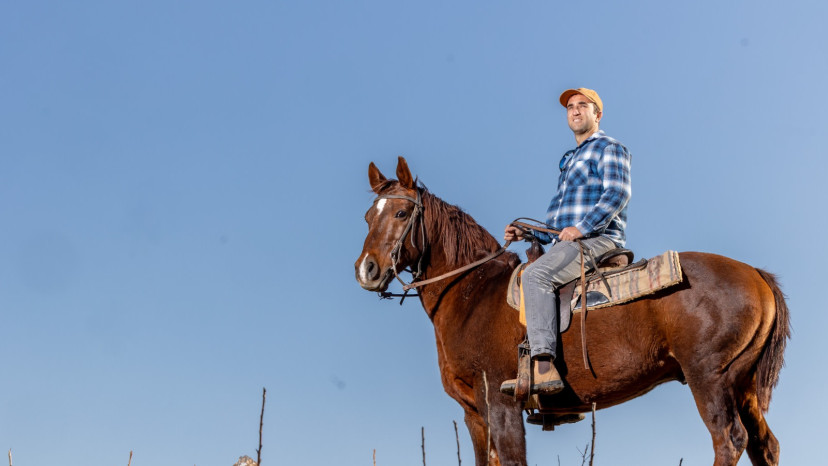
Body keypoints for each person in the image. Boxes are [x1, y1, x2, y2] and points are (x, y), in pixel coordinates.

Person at [500, 88, 631, 395]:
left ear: (597, 115)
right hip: (571, 241)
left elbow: (617, 193)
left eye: (582, 106)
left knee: (535, 275)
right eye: (570, 107)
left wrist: (582, 227)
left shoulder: (609, 147)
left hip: (599, 239)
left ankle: (543, 368)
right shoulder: (569, 161)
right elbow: (561, 226)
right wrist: (530, 233)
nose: (574, 111)